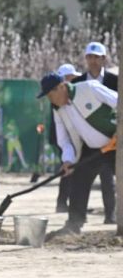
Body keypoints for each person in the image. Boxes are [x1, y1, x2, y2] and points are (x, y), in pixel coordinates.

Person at [37, 72, 117, 235]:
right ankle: (74, 224)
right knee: (79, 179)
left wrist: (119, 133)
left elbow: (119, 103)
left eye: (50, 95)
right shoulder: (58, 109)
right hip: (91, 149)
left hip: (116, 144)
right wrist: (68, 160)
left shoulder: (89, 88)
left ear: (61, 87)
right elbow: (64, 140)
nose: (50, 100)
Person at [71, 42, 118, 224]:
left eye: (96, 57)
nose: (93, 61)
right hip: (90, 143)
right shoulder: (77, 83)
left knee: (109, 181)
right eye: (90, 57)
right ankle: (76, 221)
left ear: (103, 59)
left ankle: (111, 217)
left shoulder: (115, 82)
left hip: (114, 140)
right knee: (80, 180)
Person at [51, 63, 82, 211]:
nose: (74, 80)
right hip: (65, 140)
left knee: (72, 170)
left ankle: (67, 203)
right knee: (68, 168)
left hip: (76, 139)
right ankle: (62, 203)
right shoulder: (57, 98)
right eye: (71, 77)